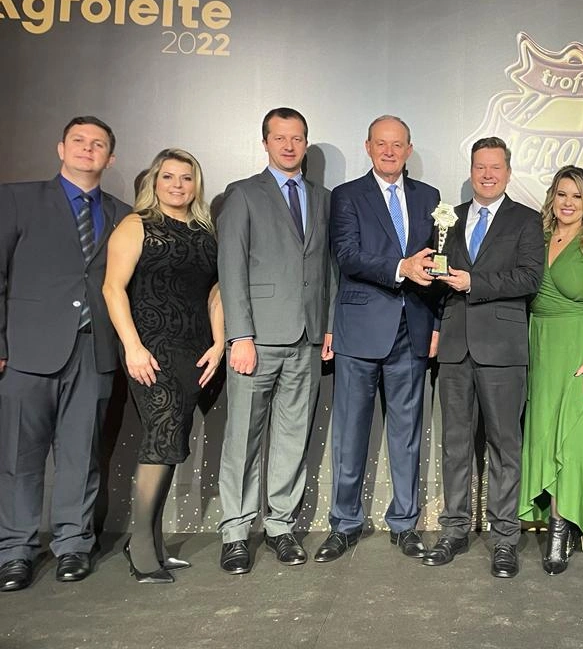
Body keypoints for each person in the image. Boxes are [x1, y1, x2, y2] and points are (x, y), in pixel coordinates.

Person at [0, 117, 130, 592]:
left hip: (93, 350)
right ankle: (14, 550)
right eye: (79, 141)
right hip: (26, 351)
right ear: (60, 148)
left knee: (81, 455)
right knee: (19, 455)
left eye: (98, 144)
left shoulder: (122, 214)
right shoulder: (17, 199)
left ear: (110, 158)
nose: (87, 149)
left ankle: (74, 544)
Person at [216, 107, 336, 575]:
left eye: (297, 138)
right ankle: (235, 532)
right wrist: (240, 335)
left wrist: (327, 325)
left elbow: (328, 268)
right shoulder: (243, 194)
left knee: (292, 437)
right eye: (280, 138)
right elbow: (231, 268)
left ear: (305, 142)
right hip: (257, 339)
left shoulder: (322, 198)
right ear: (265, 142)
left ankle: (280, 525)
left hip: (307, 337)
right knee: (243, 437)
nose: (289, 146)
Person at [319, 115, 439, 563]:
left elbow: (438, 262)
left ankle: (405, 524)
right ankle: (344, 523)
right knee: (350, 433)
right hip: (360, 330)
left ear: (409, 149)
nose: (390, 152)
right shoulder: (347, 195)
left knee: (407, 435)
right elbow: (347, 256)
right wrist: (400, 268)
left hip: (414, 328)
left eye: (398, 145)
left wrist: (437, 323)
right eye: (381, 144)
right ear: (368, 147)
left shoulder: (429, 197)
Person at [423, 137, 543, 578]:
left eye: (495, 167)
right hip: (456, 348)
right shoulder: (448, 218)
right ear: (471, 171)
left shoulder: (527, 220)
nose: (487, 175)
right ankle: (453, 530)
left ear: (508, 172)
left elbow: (530, 278)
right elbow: (438, 277)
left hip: (503, 350)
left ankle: (505, 538)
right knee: (455, 444)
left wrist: (474, 282)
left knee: (504, 446)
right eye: (480, 167)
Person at [102, 149, 222, 583]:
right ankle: (140, 547)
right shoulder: (136, 225)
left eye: (186, 178)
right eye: (168, 177)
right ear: (154, 181)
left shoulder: (206, 232)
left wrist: (220, 342)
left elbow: (215, 292)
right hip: (150, 348)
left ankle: (152, 541)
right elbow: (113, 288)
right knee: (162, 435)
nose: (177, 185)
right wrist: (132, 347)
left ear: (196, 184)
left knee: (171, 440)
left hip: (194, 350)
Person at [519, 166, 583, 575]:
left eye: (577, 196)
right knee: (546, 437)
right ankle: (554, 521)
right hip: (541, 347)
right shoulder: (537, 239)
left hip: (581, 351)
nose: (568, 203)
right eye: (562, 194)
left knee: (573, 442)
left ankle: (560, 531)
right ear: (552, 198)